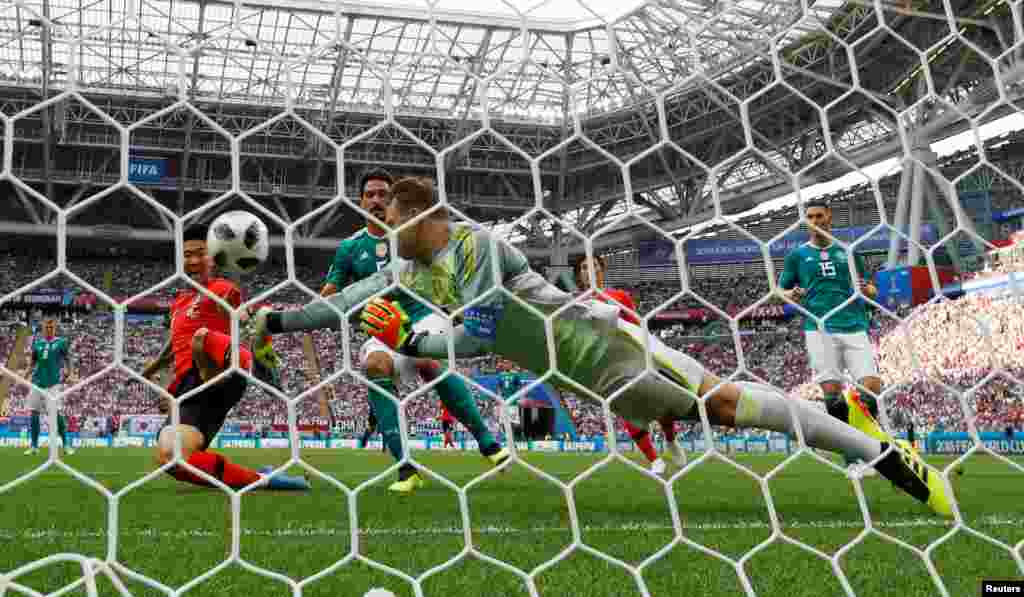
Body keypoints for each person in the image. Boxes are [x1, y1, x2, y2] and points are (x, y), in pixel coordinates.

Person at [251, 177, 955, 517]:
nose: (383, 228)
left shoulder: (478, 247)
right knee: (715, 410)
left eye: (391, 218)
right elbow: (347, 300)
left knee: (727, 402)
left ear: (422, 215)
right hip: (586, 380)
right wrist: (278, 323)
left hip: (610, 344)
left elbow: (485, 329)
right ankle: (868, 446)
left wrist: (415, 336)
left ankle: (886, 455)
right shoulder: (410, 266)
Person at [318, 169, 508, 493]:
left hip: (424, 315)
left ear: (395, 202)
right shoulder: (350, 248)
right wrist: (321, 308)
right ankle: (406, 468)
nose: (377, 201)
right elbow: (331, 291)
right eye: (370, 195)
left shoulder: (415, 235)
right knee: (375, 364)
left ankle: (487, 441)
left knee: (425, 358)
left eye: (383, 194)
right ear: (360, 201)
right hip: (382, 325)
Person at [141, 224, 309, 491]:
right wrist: (156, 368)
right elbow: (175, 344)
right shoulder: (180, 302)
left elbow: (236, 311)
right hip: (191, 384)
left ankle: (256, 360)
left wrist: (247, 322)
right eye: (187, 254)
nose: (193, 260)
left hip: (223, 369)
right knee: (170, 458)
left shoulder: (222, 288)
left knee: (202, 337)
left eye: (200, 253)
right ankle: (263, 479)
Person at [779, 200, 885, 475]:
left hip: (853, 324)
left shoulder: (848, 252)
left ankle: (862, 442)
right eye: (809, 216)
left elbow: (871, 288)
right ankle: (852, 460)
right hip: (819, 328)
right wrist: (792, 295)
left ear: (829, 217)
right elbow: (780, 291)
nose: (814, 220)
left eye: (819, 215)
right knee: (832, 393)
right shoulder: (797, 256)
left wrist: (869, 290)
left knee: (871, 387)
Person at [573, 254, 681, 475]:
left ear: (602, 270)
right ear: (579, 274)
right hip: (606, 365)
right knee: (627, 409)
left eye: (593, 265)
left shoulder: (619, 296)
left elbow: (637, 326)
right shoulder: (575, 302)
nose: (589, 270)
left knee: (661, 400)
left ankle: (671, 440)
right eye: (584, 267)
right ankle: (654, 460)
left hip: (631, 357)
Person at [22, 318, 74, 456]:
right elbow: (32, 363)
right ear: (43, 328)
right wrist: (25, 375)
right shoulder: (38, 343)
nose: (49, 329)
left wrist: (70, 372)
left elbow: (68, 358)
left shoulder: (61, 342)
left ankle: (66, 445)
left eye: (51, 327)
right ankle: (34, 446)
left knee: (56, 414)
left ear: (54, 328)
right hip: (37, 382)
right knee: (34, 412)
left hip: (53, 384)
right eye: (47, 327)